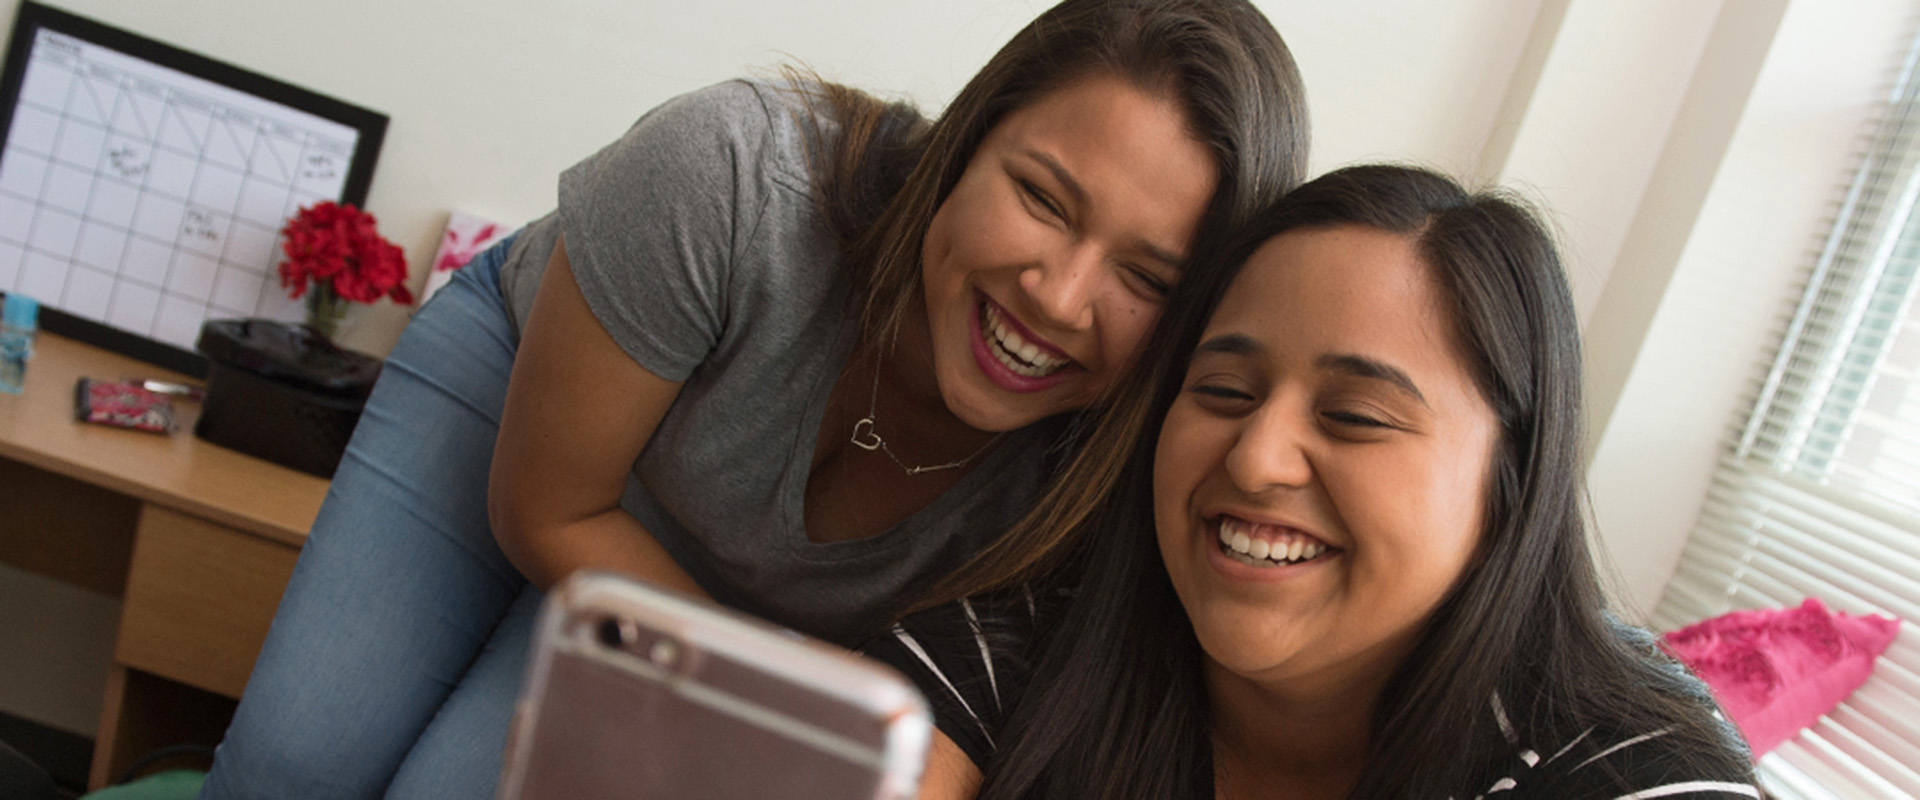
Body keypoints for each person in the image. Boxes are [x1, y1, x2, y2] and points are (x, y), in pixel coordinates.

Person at [198, 1, 1309, 798]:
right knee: (292, 765)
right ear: (965, 141)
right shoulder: (730, 174)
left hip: (733, 619)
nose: (1060, 297)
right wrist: (796, 686)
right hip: (547, 438)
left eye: (1148, 279)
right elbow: (549, 512)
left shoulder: (1115, 474)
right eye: (1041, 197)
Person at [867, 165, 1759, 798]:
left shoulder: (1636, 767)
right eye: (1222, 392)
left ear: (1510, 483)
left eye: (1356, 416)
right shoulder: (1015, 653)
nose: (1255, 459)